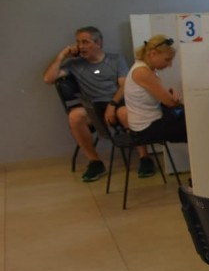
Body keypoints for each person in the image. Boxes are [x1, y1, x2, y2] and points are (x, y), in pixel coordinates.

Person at [43, 26, 152, 181]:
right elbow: (48, 79)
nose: (81, 46)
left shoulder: (115, 59)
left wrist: (112, 104)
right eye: (78, 42)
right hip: (92, 107)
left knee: (125, 113)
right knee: (75, 116)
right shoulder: (75, 64)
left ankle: (144, 157)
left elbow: (124, 85)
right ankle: (95, 162)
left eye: (85, 42)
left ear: (98, 43)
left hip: (116, 103)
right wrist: (62, 56)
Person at [124, 35, 187, 145]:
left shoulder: (143, 67)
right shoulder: (142, 72)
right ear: (153, 54)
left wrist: (170, 97)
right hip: (146, 129)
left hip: (147, 123)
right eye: (167, 59)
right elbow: (170, 102)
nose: (169, 65)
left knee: (190, 120)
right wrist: (173, 99)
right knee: (193, 126)